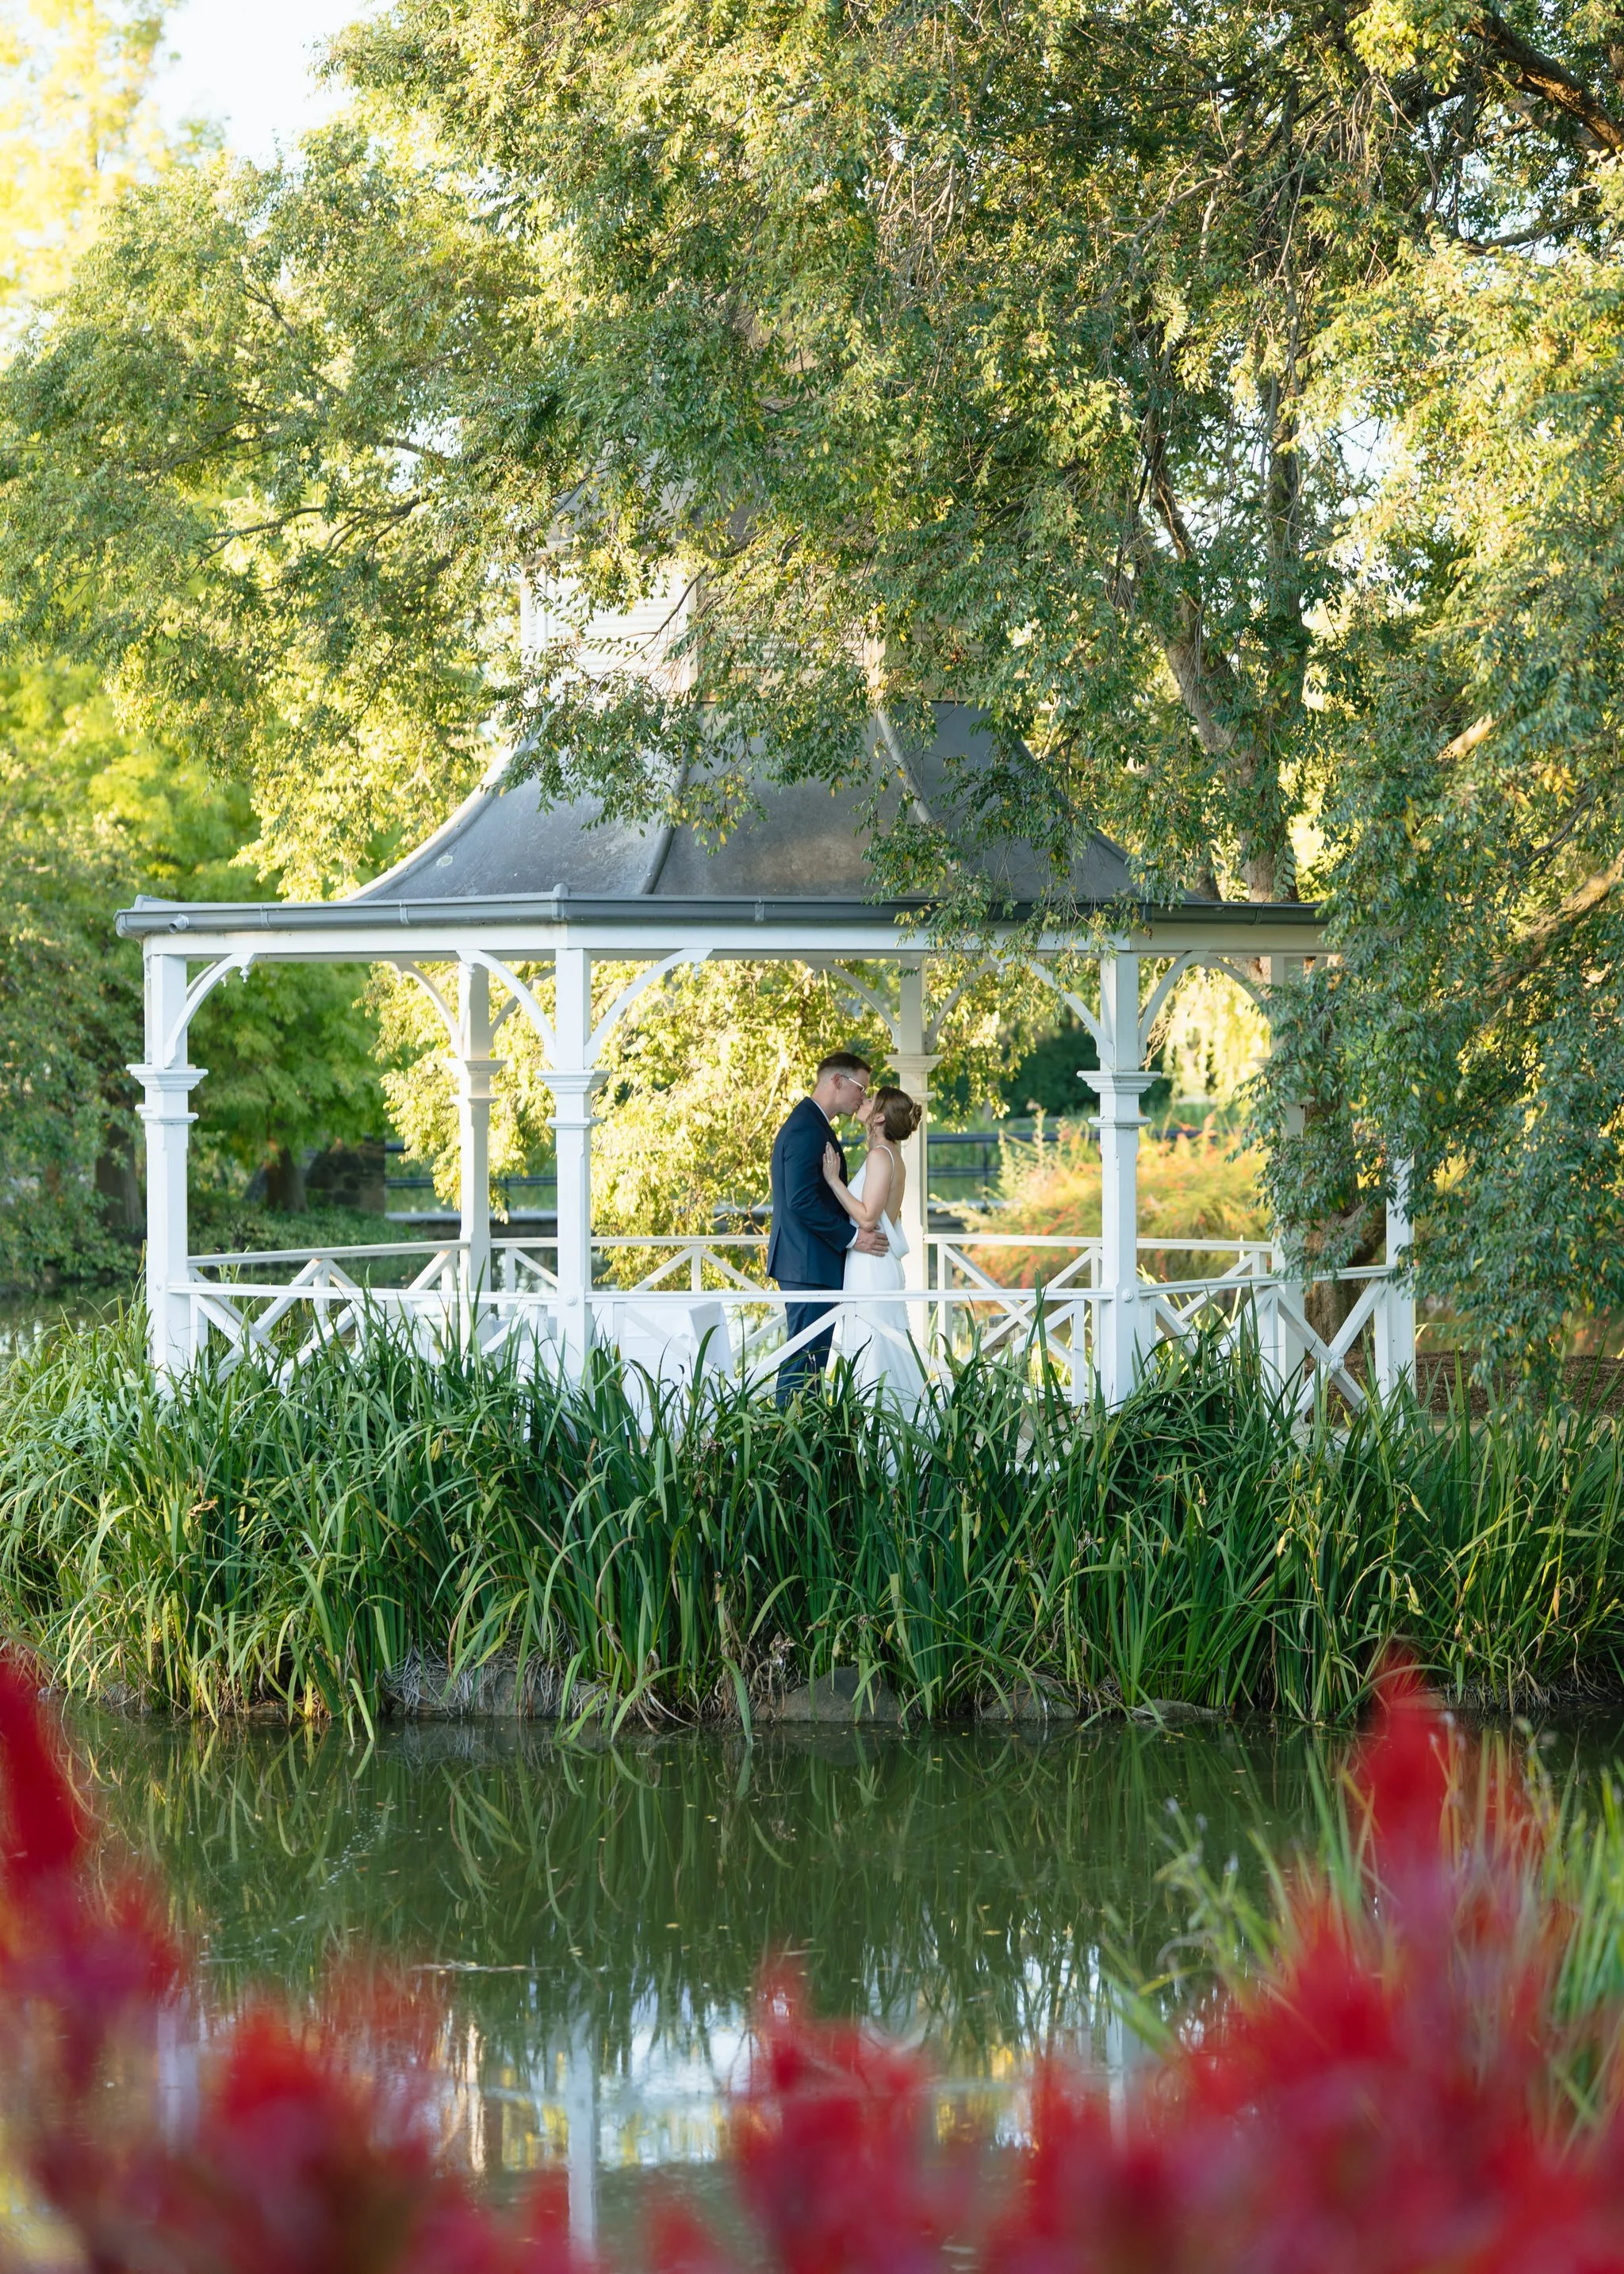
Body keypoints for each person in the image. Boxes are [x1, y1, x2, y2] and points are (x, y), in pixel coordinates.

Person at [767, 1052, 890, 1405]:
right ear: (837, 1081)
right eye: (861, 1088)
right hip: (807, 1264)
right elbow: (802, 1201)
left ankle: (803, 1443)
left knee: (811, 1362)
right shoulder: (807, 1129)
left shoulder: (812, 1123)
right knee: (804, 1362)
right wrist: (853, 1238)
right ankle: (789, 1447)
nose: (863, 1098)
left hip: (810, 1262)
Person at [821, 1086, 928, 1421]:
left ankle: (884, 1440)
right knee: (876, 1347)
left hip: (871, 1265)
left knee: (874, 1348)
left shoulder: (881, 1156)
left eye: (870, 1101)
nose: (863, 1103)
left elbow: (867, 1217)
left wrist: (833, 1181)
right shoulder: (890, 1154)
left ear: (879, 1116)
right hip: (873, 1263)